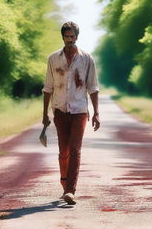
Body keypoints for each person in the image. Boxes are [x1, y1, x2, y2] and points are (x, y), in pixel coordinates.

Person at [42, 21, 100, 205]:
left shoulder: (86, 59)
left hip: (80, 111)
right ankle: (64, 183)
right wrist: (45, 114)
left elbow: (93, 87)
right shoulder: (53, 59)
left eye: (72, 37)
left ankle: (70, 191)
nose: (69, 40)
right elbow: (48, 87)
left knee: (75, 149)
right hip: (60, 110)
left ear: (77, 37)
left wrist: (96, 112)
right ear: (63, 37)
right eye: (66, 37)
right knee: (63, 151)